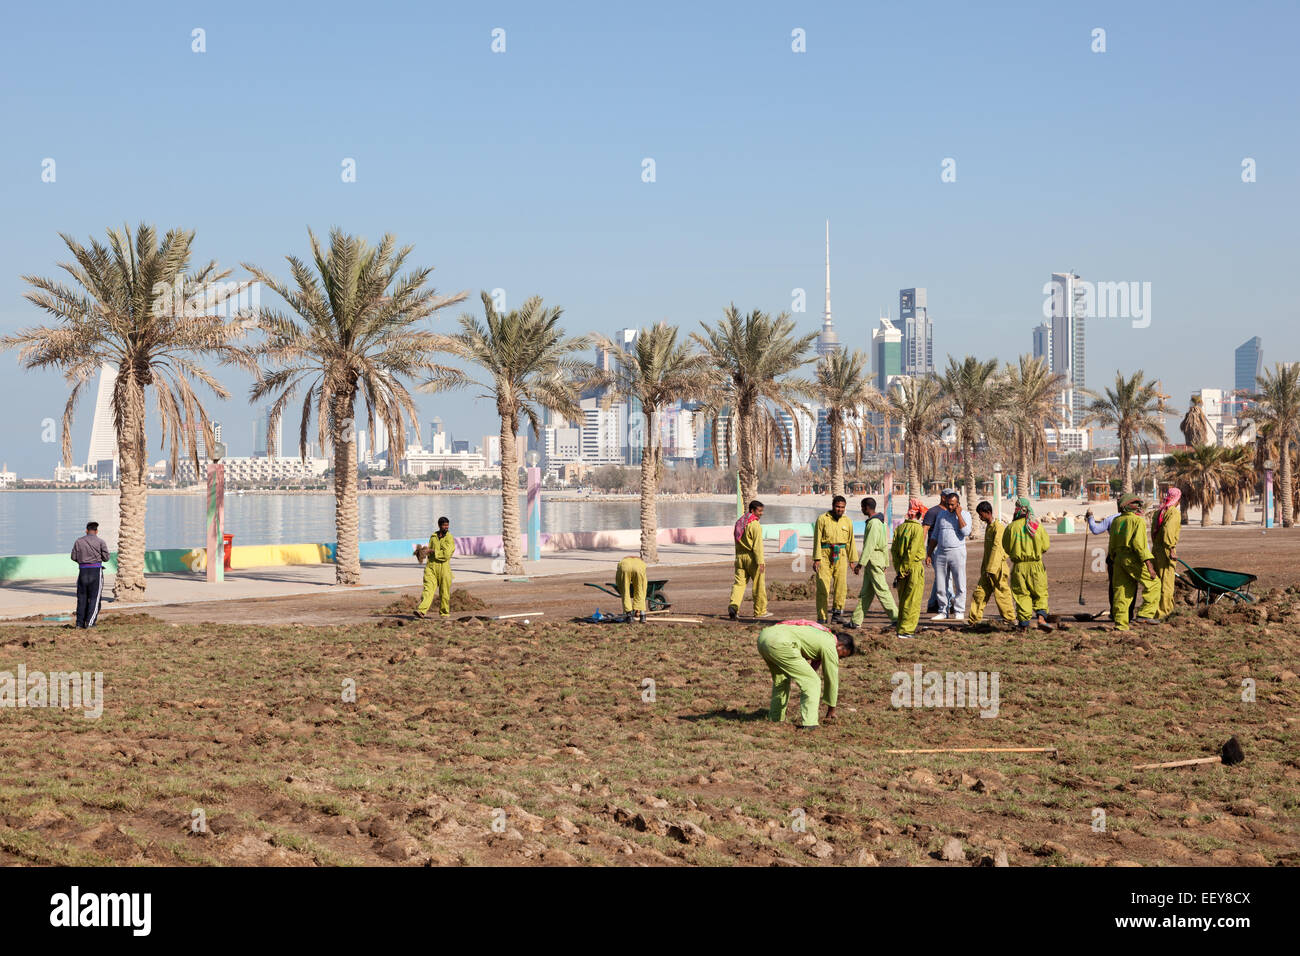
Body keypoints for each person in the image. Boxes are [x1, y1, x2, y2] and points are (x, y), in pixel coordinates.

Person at [755, 619, 854, 729]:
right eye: (842, 655)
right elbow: (831, 678)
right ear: (840, 645)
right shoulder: (830, 643)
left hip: (764, 637)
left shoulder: (821, 633)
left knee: (781, 680)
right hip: (781, 643)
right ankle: (810, 723)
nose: (839, 659)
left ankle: (775, 718)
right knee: (812, 681)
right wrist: (831, 709)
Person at [1109, 493, 1160, 630]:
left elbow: (1112, 544)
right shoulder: (1138, 522)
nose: (1138, 506)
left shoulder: (1116, 521)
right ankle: (1145, 614)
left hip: (1118, 559)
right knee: (1154, 584)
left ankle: (1120, 625)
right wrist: (1150, 566)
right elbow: (1140, 546)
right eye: (1136, 504)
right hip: (1133, 559)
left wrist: (1114, 560)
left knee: (1122, 591)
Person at [1002, 497, 1052, 631]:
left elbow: (1006, 547)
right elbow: (1046, 546)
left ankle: (1023, 626)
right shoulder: (1037, 526)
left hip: (1019, 566)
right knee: (1040, 592)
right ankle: (1041, 619)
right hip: (1036, 565)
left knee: (1022, 595)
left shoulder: (1011, 528)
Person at [848, 497, 897, 629]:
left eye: (862, 507)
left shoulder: (874, 523)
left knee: (882, 590)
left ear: (866, 507)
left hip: (874, 560)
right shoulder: (880, 522)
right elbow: (885, 544)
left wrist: (860, 564)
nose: (861, 509)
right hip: (875, 561)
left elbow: (869, 545)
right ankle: (856, 621)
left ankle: (896, 617)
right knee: (866, 593)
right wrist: (886, 562)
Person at [966, 501, 1016, 625]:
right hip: (988, 569)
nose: (980, 517)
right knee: (980, 593)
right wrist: (986, 569)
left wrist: (991, 569)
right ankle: (974, 620)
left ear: (988, 513)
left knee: (1002, 593)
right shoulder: (989, 527)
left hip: (997, 568)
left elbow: (997, 549)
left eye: (981, 514)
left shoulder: (998, 528)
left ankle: (1009, 619)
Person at [926, 489, 972, 620]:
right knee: (941, 584)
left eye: (953, 504)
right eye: (948, 504)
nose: (950, 507)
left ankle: (959, 610)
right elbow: (935, 535)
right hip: (941, 552)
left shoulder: (965, 514)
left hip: (957, 551)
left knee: (959, 582)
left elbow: (966, 532)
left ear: (958, 504)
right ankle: (942, 610)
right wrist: (929, 553)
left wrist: (959, 515)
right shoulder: (941, 515)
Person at [812, 495, 858, 624]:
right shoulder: (822, 519)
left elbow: (850, 542)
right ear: (833, 506)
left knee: (841, 586)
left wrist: (852, 561)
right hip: (825, 554)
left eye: (842, 507)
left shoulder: (847, 521)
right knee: (822, 587)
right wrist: (816, 559)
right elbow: (817, 540)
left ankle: (837, 615)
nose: (840, 509)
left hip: (841, 554)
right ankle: (822, 617)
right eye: (837, 507)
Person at [891, 499, 928, 638]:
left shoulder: (900, 528)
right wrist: (905, 569)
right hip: (913, 567)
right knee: (912, 600)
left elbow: (894, 550)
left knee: (903, 600)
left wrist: (899, 569)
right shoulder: (918, 529)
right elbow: (912, 552)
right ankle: (906, 630)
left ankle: (901, 627)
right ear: (918, 514)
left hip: (901, 567)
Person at [728, 500, 768, 620]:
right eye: (759, 511)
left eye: (762, 511)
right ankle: (760, 611)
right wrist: (760, 561)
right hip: (752, 558)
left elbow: (736, 541)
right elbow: (757, 546)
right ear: (752, 510)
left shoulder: (740, 523)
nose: (761, 513)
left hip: (740, 558)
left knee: (739, 585)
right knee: (758, 585)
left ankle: (733, 606)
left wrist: (737, 558)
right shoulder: (754, 525)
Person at [70, 521, 110, 629]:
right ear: (96, 531)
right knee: (94, 598)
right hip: (96, 571)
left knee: (82, 597)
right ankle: (90, 623)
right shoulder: (101, 542)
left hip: (82, 571)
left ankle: (79, 623)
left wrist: (82, 560)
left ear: (86, 531)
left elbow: (73, 557)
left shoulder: (78, 541)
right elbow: (106, 558)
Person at [415, 516, 455, 618]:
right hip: (431, 567)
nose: (446, 527)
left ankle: (444, 614)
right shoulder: (433, 536)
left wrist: (432, 551)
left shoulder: (449, 538)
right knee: (428, 589)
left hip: (444, 568)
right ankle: (421, 611)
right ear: (439, 525)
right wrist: (422, 552)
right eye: (444, 525)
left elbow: (446, 554)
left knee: (444, 593)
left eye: (447, 525)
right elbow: (429, 551)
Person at [1151, 487, 1182, 619]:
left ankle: (1154, 610)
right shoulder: (1173, 512)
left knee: (1157, 581)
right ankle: (1164, 612)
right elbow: (1168, 532)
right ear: (1177, 499)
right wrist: (1171, 549)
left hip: (1156, 550)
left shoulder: (1159, 511)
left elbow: (1153, 531)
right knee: (1167, 582)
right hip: (1165, 550)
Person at [1085, 502, 1121, 609]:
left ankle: (1115, 612)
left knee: (1114, 585)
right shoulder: (1137, 519)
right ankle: (1127, 613)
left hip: (1114, 557)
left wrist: (1090, 517)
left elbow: (1095, 530)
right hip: (1131, 558)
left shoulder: (1112, 519)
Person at [616, 554, 648, 623]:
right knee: (640, 589)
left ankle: (629, 616)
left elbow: (618, 581)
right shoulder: (641, 562)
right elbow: (644, 585)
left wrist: (620, 587)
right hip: (639, 566)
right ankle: (642, 615)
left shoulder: (623, 561)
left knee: (625, 590)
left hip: (625, 565)